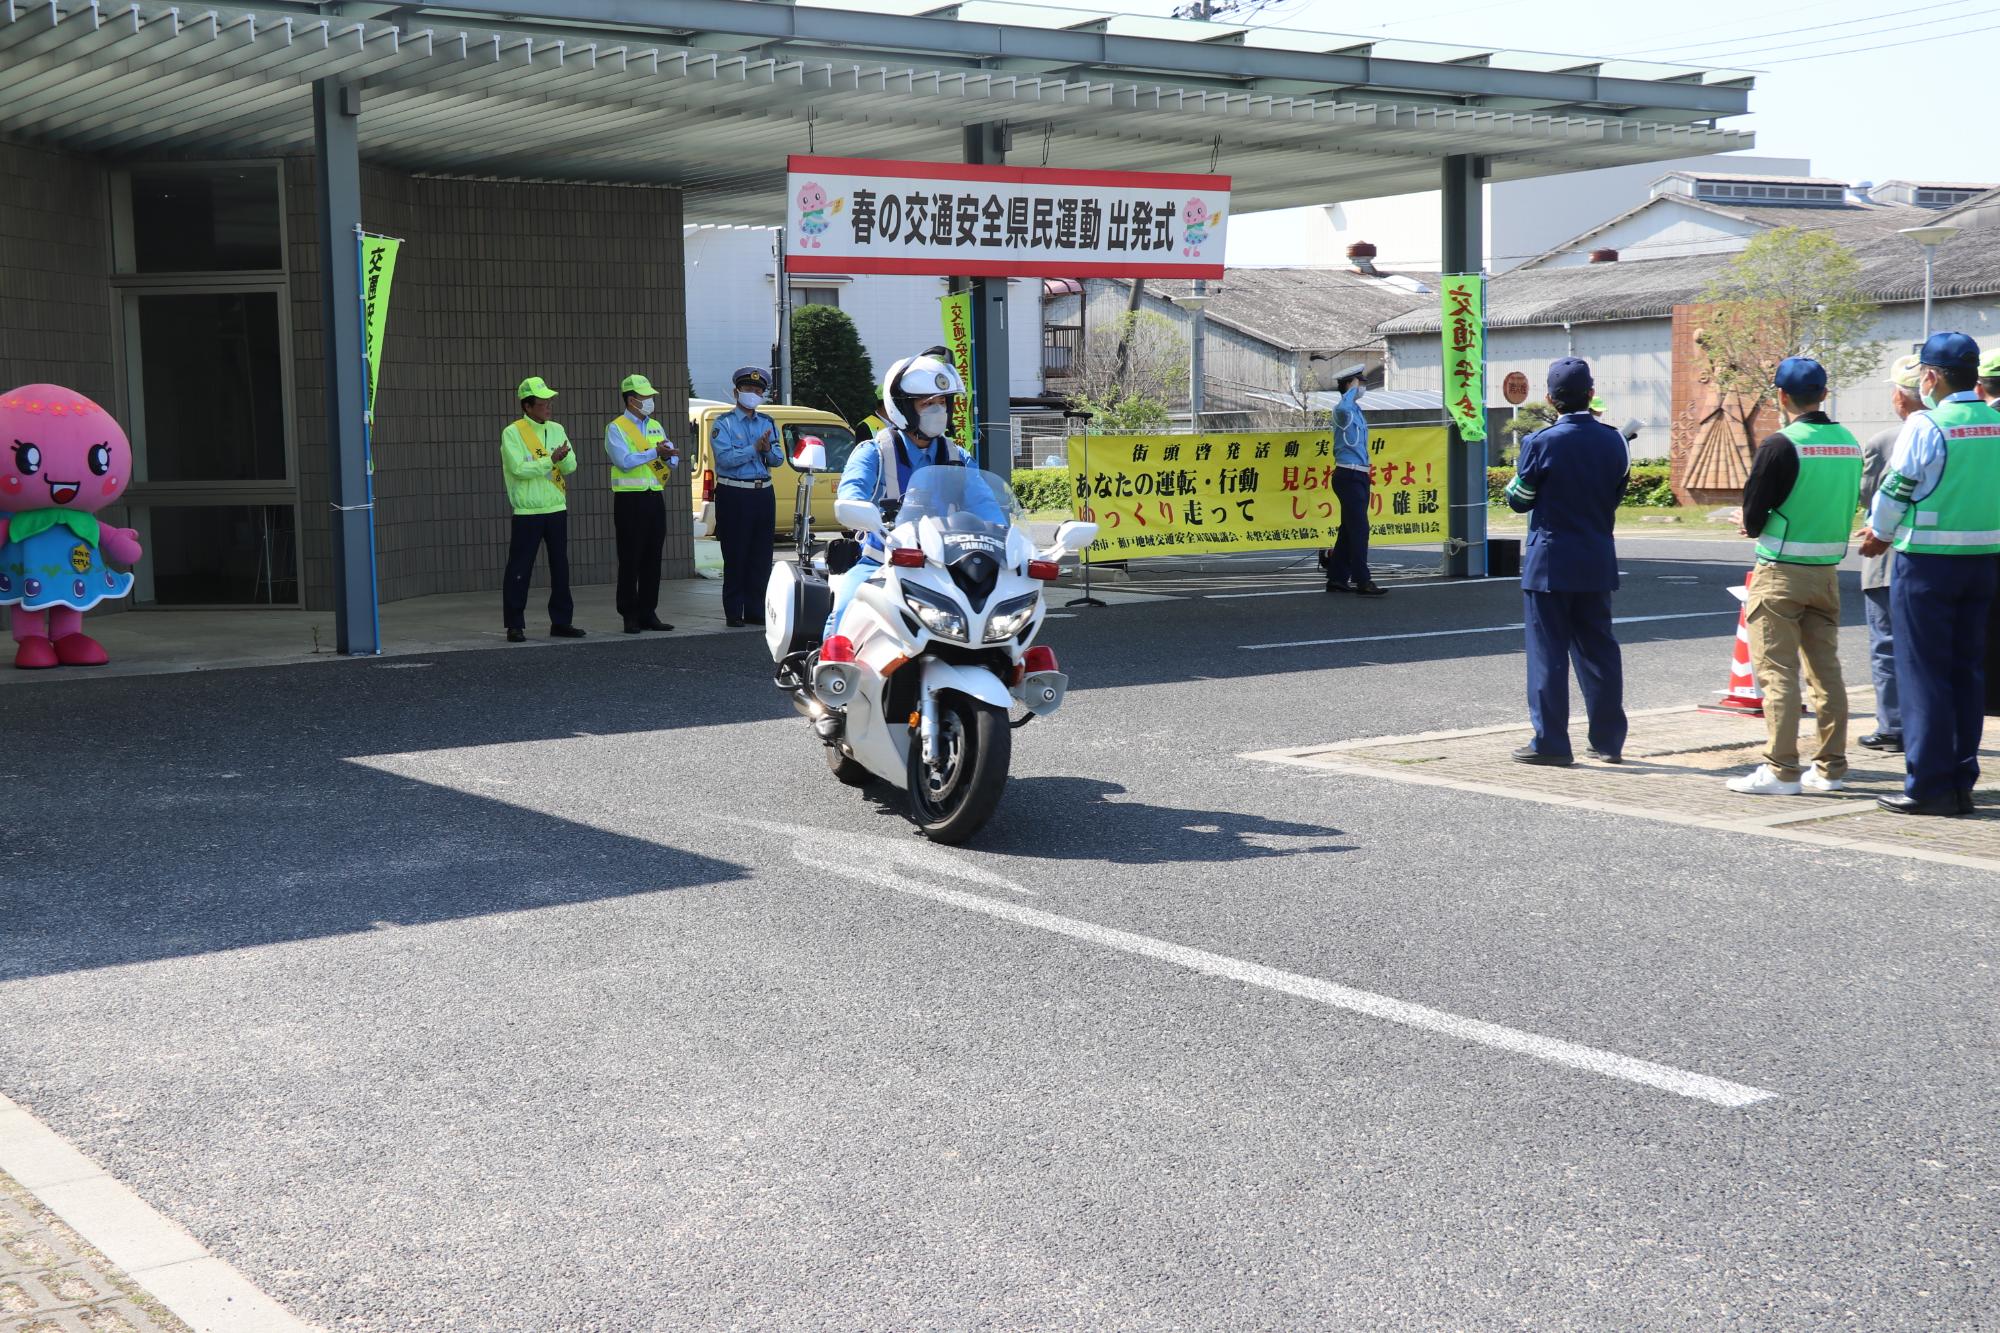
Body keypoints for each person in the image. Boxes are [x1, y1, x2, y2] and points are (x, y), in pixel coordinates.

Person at [1860, 331, 2000, 816]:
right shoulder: (1996, 422)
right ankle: (1962, 778)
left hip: (1927, 564)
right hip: (1984, 562)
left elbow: (1897, 488)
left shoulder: (1928, 425)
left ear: (1932, 376)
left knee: (1923, 674)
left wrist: (1878, 533)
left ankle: (1928, 784)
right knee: (1968, 672)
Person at [1725, 357, 1863, 796]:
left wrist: (1746, 520)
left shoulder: (1781, 445)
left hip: (1781, 572)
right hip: (1826, 572)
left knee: (1777, 673)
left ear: (1781, 397)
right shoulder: (1849, 443)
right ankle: (1831, 768)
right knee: (1827, 674)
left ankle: (1781, 769)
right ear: (1824, 393)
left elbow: (1754, 513)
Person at [817, 353, 970, 738]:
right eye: (926, 403)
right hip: (881, 562)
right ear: (902, 409)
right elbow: (850, 497)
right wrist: (857, 510)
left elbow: (986, 505)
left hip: (941, 566)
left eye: (942, 403)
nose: (938, 410)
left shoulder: (957, 455)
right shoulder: (873, 452)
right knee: (845, 609)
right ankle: (830, 698)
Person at [1504, 357, 1628, 766]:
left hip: (1549, 562)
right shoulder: (1615, 441)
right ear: (1592, 394)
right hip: (1596, 557)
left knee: (1548, 654)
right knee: (1599, 650)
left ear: (1549, 399)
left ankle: (1552, 742)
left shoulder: (1540, 443)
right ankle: (1608, 741)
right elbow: (1614, 495)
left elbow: (1519, 501)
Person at [1857, 355, 1923, 753]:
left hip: (1886, 554)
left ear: (1900, 398)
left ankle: (1893, 725)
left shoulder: (1883, 441)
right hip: (1939, 554)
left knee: (1886, 643)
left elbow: (1867, 494)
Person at [500, 376, 583, 643]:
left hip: (556, 506)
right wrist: (551, 460)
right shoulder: (513, 432)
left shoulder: (557, 429)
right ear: (527, 406)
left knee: (560, 566)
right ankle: (514, 624)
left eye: (549, 402)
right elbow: (518, 469)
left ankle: (562, 621)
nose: (548, 406)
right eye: (543, 403)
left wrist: (562, 459)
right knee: (520, 567)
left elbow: (570, 467)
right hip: (527, 511)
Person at [711, 366, 786, 627]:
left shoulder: (767, 422)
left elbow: (778, 459)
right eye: (748, 390)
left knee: (761, 554)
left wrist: (766, 451)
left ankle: (756, 609)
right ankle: (734, 611)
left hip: (762, 492)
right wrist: (754, 448)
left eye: (758, 391)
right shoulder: (724, 423)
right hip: (734, 492)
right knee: (736, 552)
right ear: (736, 392)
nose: (753, 394)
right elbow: (726, 459)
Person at [605, 373, 678, 634]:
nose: (649, 401)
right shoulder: (616, 427)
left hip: (653, 496)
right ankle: (629, 614)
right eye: (644, 397)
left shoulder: (656, 425)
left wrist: (669, 456)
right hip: (629, 500)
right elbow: (623, 461)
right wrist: (654, 452)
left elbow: (672, 461)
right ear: (631, 400)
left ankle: (649, 612)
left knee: (652, 557)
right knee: (630, 558)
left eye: (650, 397)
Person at [1324, 374, 1384, 597]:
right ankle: (1362, 580)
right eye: (1359, 384)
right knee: (1360, 530)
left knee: (1349, 530)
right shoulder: (1343, 410)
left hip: (1359, 475)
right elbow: (1343, 406)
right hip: (1347, 475)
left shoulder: (1356, 411)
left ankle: (1337, 578)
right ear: (1350, 385)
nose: (1362, 388)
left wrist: (1353, 389)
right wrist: (1350, 389)